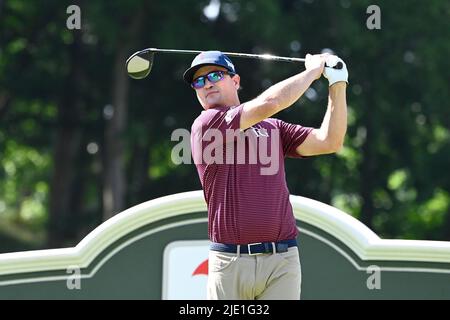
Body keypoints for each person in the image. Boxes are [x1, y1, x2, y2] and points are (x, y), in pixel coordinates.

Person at [184, 50, 348, 300]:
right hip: (230, 261)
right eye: (198, 81)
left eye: (215, 75)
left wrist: (337, 83)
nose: (206, 84)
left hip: (281, 261)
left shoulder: (273, 128)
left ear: (235, 81)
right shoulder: (206, 124)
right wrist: (313, 72)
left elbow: (330, 140)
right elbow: (270, 104)